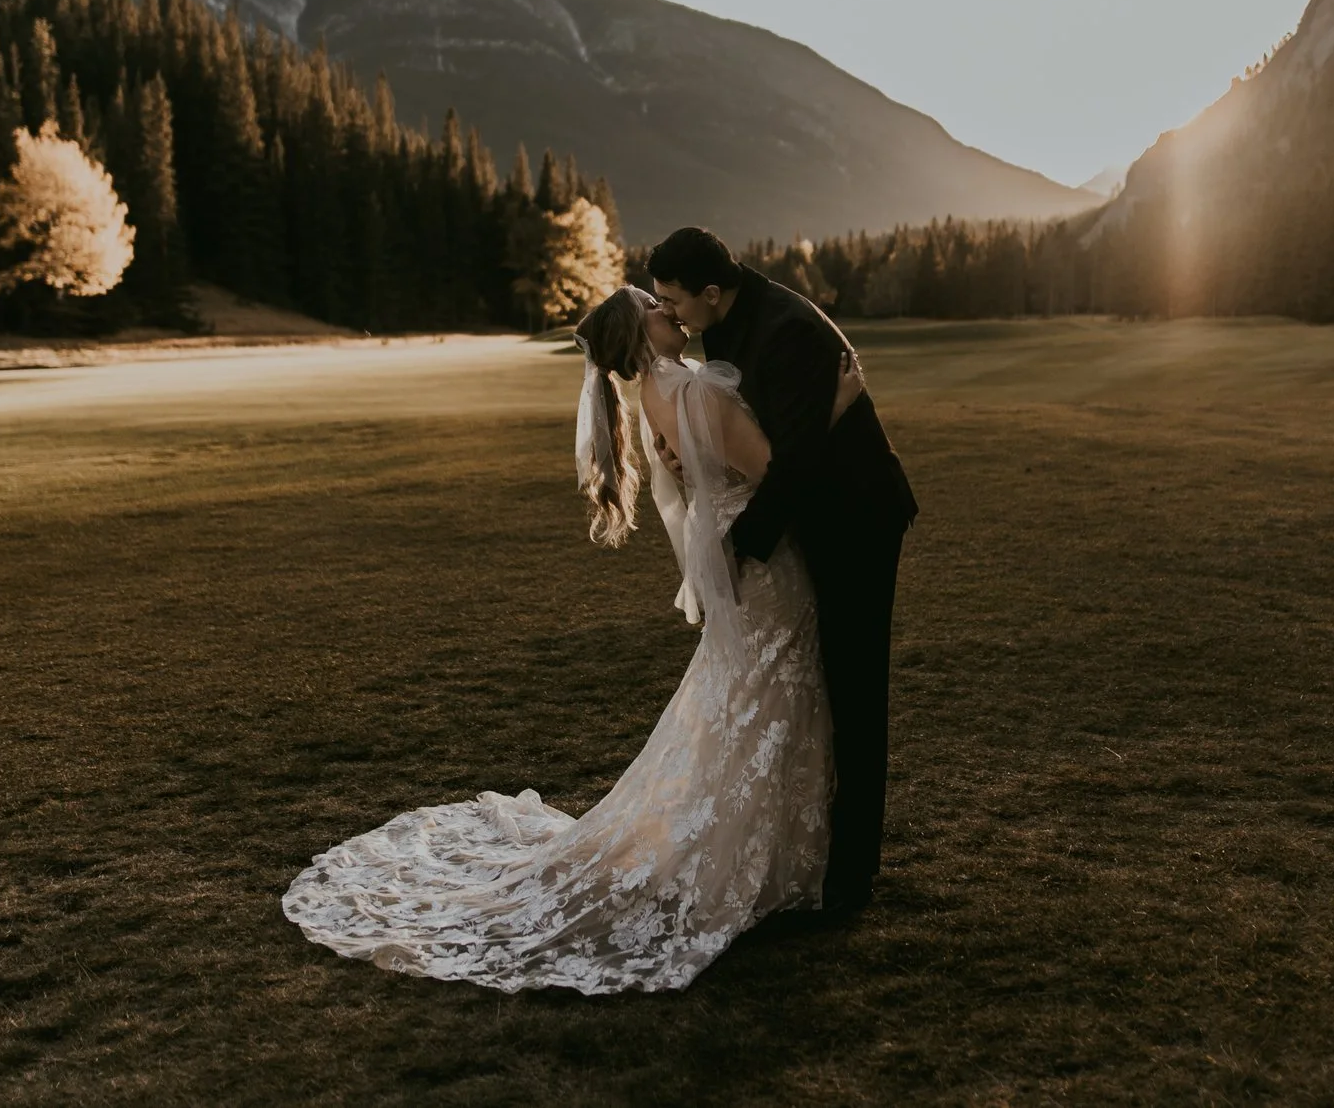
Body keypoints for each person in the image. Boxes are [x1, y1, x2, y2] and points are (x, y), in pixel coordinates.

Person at [282, 286, 866, 994]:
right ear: (641, 331)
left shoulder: (657, 391)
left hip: (741, 564)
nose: (670, 310)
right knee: (767, 696)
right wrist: (834, 410)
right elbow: (775, 471)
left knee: (747, 698)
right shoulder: (690, 390)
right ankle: (760, 859)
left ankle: (766, 849)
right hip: (765, 569)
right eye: (657, 304)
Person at [648, 226, 918, 917]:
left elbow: (792, 463)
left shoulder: (787, 329)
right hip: (810, 514)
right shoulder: (728, 321)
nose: (670, 311)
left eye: (675, 299)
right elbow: (761, 434)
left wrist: (734, 554)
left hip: (855, 520)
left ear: (711, 291)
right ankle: (814, 852)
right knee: (824, 685)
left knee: (857, 690)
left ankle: (849, 883)